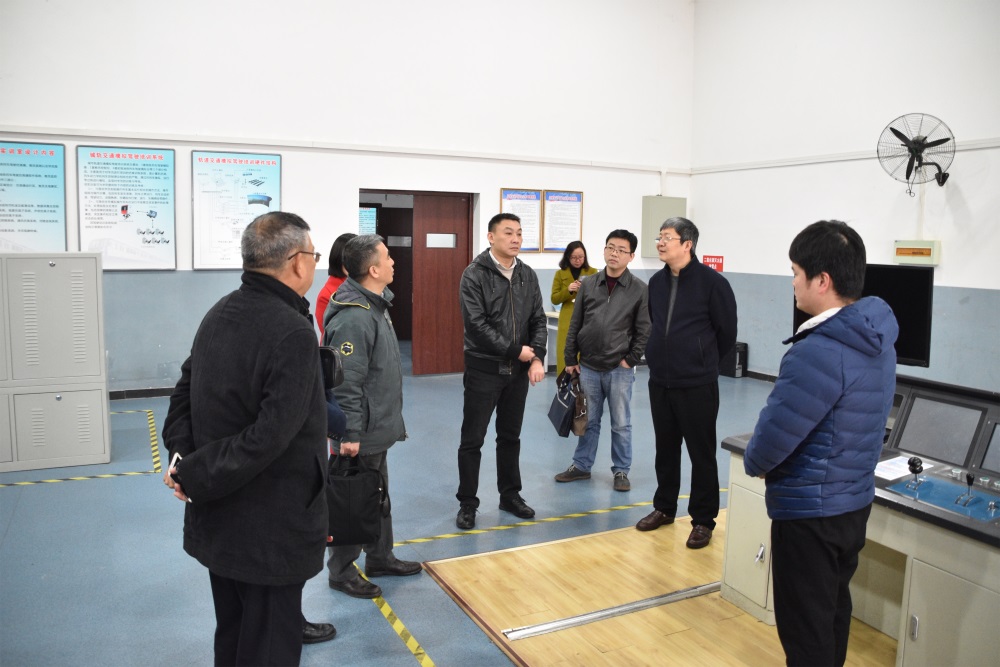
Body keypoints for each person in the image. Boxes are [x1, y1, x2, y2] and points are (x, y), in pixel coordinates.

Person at [161, 211, 335, 665]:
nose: (314, 263)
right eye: (313, 254)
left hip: (221, 521)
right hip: (270, 531)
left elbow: (181, 396)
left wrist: (182, 461)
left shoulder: (219, 312)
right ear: (296, 261)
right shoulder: (291, 330)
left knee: (235, 635)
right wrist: (194, 473)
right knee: (269, 645)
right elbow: (269, 436)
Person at [744, 221, 897, 666]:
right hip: (852, 504)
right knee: (832, 614)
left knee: (806, 632)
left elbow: (772, 439)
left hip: (809, 513)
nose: (792, 282)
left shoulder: (818, 350)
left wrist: (754, 461)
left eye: (796, 272)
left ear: (822, 280)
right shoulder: (878, 340)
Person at [323, 234, 422, 599]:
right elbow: (345, 384)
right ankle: (341, 571)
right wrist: (348, 433)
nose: (394, 262)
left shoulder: (375, 304)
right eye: (388, 257)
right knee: (353, 499)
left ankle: (380, 556)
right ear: (373, 270)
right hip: (359, 431)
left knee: (376, 494)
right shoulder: (355, 317)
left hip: (375, 425)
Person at [637, 216, 737, 549]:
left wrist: (702, 361)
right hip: (660, 381)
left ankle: (703, 520)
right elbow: (655, 323)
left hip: (697, 383)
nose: (660, 243)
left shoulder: (713, 283)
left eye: (667, 237)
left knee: (701, 453)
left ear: (687, 244)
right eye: (659, 237)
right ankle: (664, 507)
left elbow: (726, 333)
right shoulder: (656, 282)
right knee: (665, 449)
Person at [456, 212, 547, 530]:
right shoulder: (474, 274)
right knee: (472, 439)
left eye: (519, 233)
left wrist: (537, 358)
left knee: (510, 437)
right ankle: (468, 502)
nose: (516, 239)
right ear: (491, 237)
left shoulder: (527, 274)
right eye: (508, 233)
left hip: (517, 373)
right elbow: (476, 325)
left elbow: (538, 319)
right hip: (484, 369)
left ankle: (510, 495)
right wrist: (515, 351)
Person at [554, 230, 650, 492]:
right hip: (588, 366)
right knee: (588, 420)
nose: (614, 253)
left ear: (631, 256)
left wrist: (630, 360)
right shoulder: (589, 284)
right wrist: (570, 357)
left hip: (619, 369)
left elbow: (644, 330)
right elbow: (576, 323)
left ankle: (621, 470)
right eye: (610, 247)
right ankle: (582, 465)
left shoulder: (639, 290)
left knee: (621, 423)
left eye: (621, 250)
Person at [550, 241, 598, 375]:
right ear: (568, 257)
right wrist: (568, 290)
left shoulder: (593, 272)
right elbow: (554, 298)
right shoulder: (560, 274)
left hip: (587, 317)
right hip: (567, 318)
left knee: (585, 351)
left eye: (581, 257)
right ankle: (564, 382)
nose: (578, 260)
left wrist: (585, 289)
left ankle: (586, 382)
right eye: (574, 257)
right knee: (565, 351)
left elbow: (598, 295)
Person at [316, 232, 357, 333]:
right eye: (348, 259)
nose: (354, 263)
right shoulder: (326, 295)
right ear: (338, 259)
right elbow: (329, 334)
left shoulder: (363, 285)